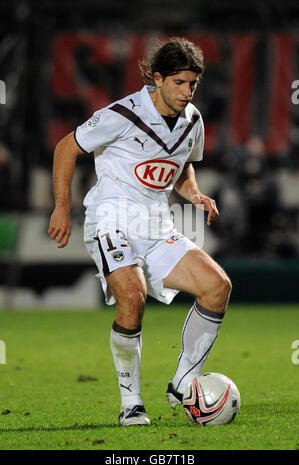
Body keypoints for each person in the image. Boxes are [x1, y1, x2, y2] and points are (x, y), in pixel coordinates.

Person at [48, 37, 232, 427]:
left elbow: (180, 163)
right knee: (131, 299)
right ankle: (131, 402)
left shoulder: (193, 120)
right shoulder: (123, 114)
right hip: (110, 217)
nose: (187, 92)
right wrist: (62, 207)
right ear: (158, 78)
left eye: (193, 84)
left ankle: (183, 381)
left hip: (156, 224)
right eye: (180, 83)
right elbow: (66, 147)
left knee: (218, 287)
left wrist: (194, 193)